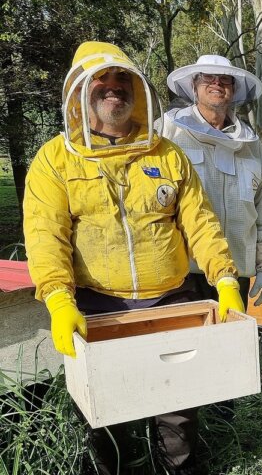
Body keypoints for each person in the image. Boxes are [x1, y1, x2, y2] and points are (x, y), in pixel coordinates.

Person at [23, 41, 244, 475]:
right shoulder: (53, 160)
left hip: (171, 300)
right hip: (99, 304)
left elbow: (200, 222)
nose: (113, 87)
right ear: (80, 91)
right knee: (106, 413)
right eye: (101, 80)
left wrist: (226, 281)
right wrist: (58, 299)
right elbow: (46, 235)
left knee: (178, 407)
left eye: (122, 78)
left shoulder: (165, 153)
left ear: (137, 90)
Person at [163, 55, 262, 310]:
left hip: (236, 273)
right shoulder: (169, 132)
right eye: (207, 77)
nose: (216, 83)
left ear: (234, 89)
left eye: (225, 79)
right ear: (194, 86)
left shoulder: (252, 145)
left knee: (233, 349)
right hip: (184, 275)